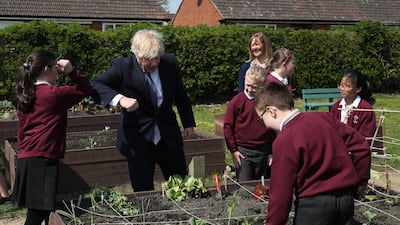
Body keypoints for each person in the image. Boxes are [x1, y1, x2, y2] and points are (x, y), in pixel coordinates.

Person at [90, 29, 196, 192]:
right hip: (138, 140)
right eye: (149, 60)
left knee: (180, 182)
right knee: (143, 189)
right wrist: (120, 99)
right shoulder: (123, 67)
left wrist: (188, 123)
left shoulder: (170, 64)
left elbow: (180, 95)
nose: (155, 63)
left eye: (157, 58)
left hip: (167, 136)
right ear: (137, 55)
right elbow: (95, 84)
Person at [254, 82, 371, 225]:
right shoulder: (324, 118)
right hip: (345, 201)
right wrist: (361, 182)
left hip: (314, 207)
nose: (263, 125)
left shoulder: (284, 140)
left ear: (271, 111)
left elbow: (280, 195)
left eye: (261, 119)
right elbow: (361, 146)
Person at [13, 50, 92, 225]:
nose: (58, 73)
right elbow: (86, 88)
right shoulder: (54, 94)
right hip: (43, 159)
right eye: (56, 68)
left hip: (27, 157)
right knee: (37, 214)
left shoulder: (27, 93)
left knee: (38, 211)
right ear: (47, 69)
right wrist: (71, 71)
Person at [224, 66, 275, 181]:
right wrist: (233, 150)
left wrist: (271, 152)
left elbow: (273, 129)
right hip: (243, 152)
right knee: (244, 186)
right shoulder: (236, 102)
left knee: (263, 186)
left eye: (254, 87)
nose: (250, 89)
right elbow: (228, 127)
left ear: (263, 87)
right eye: (247, 85)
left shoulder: (267, 103)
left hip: (263, 150)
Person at [331, 70, 376, 141]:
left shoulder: (365, 109)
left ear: (358, 89)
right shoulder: (336, 107)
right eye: (341, 86)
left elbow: (366, 136)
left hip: (357, 148)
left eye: (347, 87)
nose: (342, 89)